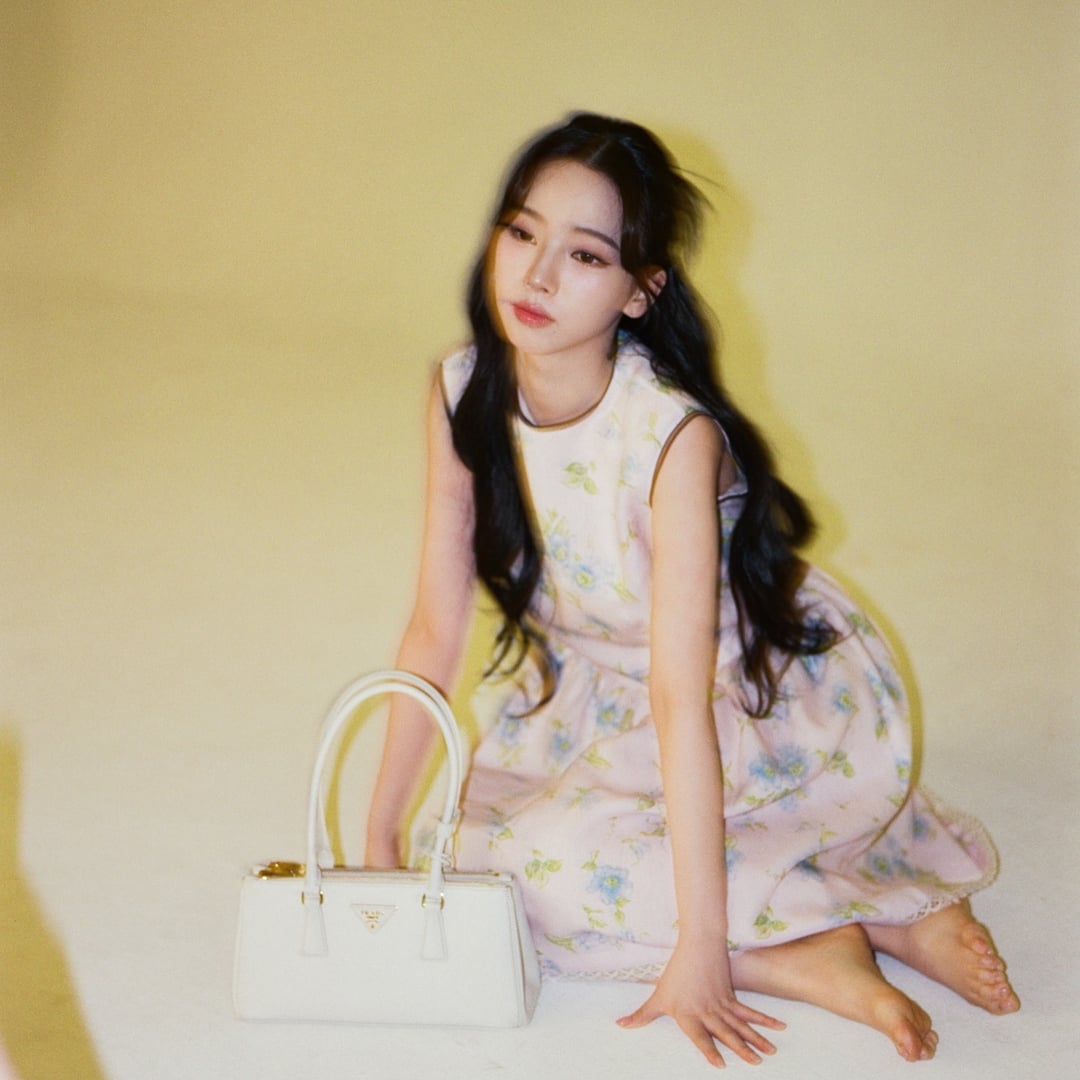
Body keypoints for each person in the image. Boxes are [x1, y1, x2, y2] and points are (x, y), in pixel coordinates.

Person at [365, 113, 1019, 1066]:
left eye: (585, 256)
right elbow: (435, 624)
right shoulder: (464, 389)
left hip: (739, 695)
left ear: (641, 290)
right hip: (594, 693)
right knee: (462, 859)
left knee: (559, 866)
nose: (537, 277)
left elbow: (681, 697)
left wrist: (703, 954)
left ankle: (870, 925)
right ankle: (809, 942)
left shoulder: (670, 436)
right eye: (521, 232)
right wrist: (380, 840)